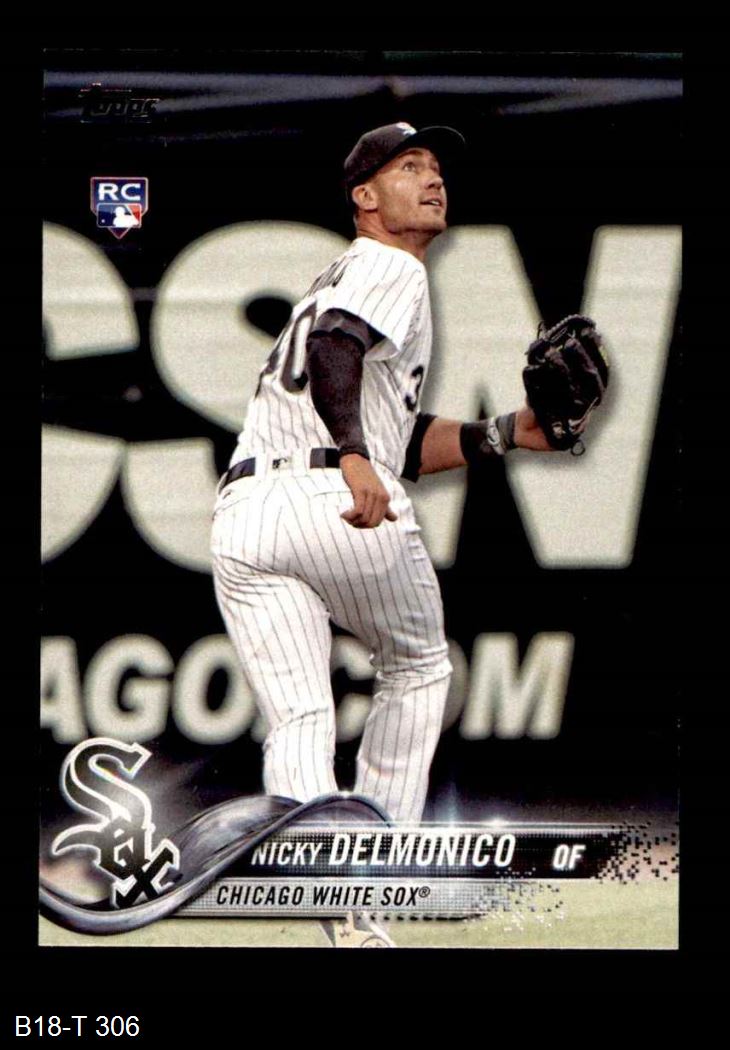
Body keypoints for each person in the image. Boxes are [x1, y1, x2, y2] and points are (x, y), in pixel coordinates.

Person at [210, 122, 554, 826]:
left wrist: (508, 431)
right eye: (409, 167)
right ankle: (375, 864)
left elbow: (399, 440)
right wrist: (353, 457)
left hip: (246, 515)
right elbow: (335, 348)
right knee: (418, 665)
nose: (433, 179)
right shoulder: (392, 267)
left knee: (300, 715)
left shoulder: (338, 279)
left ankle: (315, 863)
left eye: (435, 168)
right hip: (334, 498)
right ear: (365, 198)